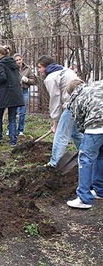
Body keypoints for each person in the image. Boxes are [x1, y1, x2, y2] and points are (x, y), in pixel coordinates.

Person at [36, 55, 82, 170]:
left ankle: (54, 164)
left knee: (61, 135)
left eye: (40, 67)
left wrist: (56, 121)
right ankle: (86, 154)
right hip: (81, 104)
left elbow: (55, 99)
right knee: (75, 133)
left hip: (71, 106)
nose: (39, 70)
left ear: (46, 67)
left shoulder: (51, 77)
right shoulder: (66, 70)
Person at [66, 79, 103, 209]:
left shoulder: (76, 98)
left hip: (96, 126)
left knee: (85, 159)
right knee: (101, 156)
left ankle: (84, 198)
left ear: (71, 92)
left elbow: (79, 122)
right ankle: (99, 190)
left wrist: (86, 135)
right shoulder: (96, 85)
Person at [0, 45, 24, 147]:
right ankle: (13, 141)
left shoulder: (0, 63)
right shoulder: (13, 63)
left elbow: (2, 78)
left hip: (3, 93)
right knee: (12, 118)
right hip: (14, 93)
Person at [12, 53, 36, 135]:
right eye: (16, 60)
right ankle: (11, 129)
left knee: (22, 112)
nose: (18, 61)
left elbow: (33, 81)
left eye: (19, 59)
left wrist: (27, 80)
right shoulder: (13, 69)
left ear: (22, 59)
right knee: (13, 111)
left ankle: (20, 130)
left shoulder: (27, 68)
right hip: (15, 92)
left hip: (24, 91)